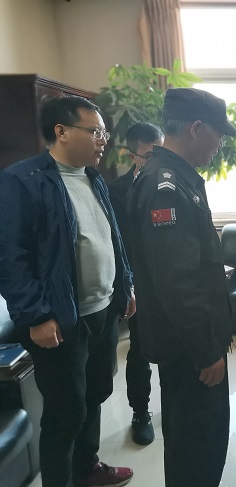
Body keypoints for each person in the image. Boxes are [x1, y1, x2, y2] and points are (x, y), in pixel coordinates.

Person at [0, 95, 136, 487]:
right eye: (95, 131)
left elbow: (112, 238)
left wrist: (125, 284)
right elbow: (10, 258)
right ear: (61, 131)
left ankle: (86, 467)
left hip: (103, 310)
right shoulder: (22, 180)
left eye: (103, 133)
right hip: (59, 319)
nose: (103, 140)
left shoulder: (93, 178)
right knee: (66, 412)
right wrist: (36, 316)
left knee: (95, 394)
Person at [126, 88, 236, 487]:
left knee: (195, 439)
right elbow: (178, 282)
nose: (220, 143)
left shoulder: (175, 175)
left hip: (188, 343)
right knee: (197, 445)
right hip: (190, 350)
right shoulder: (165, 186)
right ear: (196, 128)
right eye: (218, 134)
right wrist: (206, 350)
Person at [108, 122, 164, 445]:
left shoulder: (170, 183)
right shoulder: (115, 192)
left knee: (172, 348)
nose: (157, 161)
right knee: (140, 350)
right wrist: (127, 287)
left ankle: (173, 404)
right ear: (132, 156)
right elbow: (117, 246)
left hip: (168, 283)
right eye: (150, 155)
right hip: (137, 286)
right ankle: (140, 412)